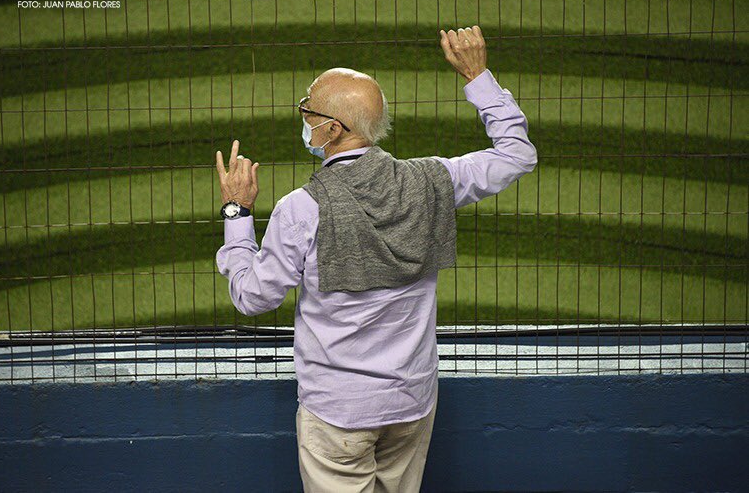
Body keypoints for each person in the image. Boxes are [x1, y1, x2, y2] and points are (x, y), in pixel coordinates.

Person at [215, 25, 537, 492]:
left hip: (338, 415)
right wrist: (478, 75)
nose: (302, 115)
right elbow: (516, 155)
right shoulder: (434, 181)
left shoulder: (301, 209)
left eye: (308, 108)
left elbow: (252, 297)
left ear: (330, 128)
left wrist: (237, 213)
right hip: (412, 403)